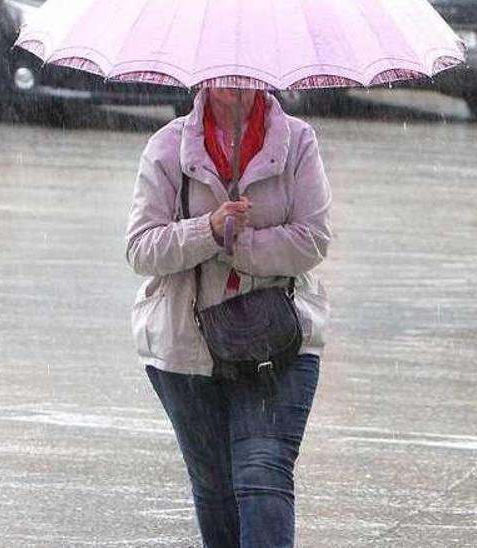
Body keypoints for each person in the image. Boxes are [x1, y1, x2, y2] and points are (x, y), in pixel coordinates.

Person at [125, 87, 332, 548]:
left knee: (262, 473)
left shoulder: (298, 142)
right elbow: (140, 248)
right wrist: (209, 229)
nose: (234, 82)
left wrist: (241, 245)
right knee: (216, 489)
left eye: (246, 72)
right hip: (186, 347)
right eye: (223, 72)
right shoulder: (167, 146)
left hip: (276, 339)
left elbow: (312, 240)